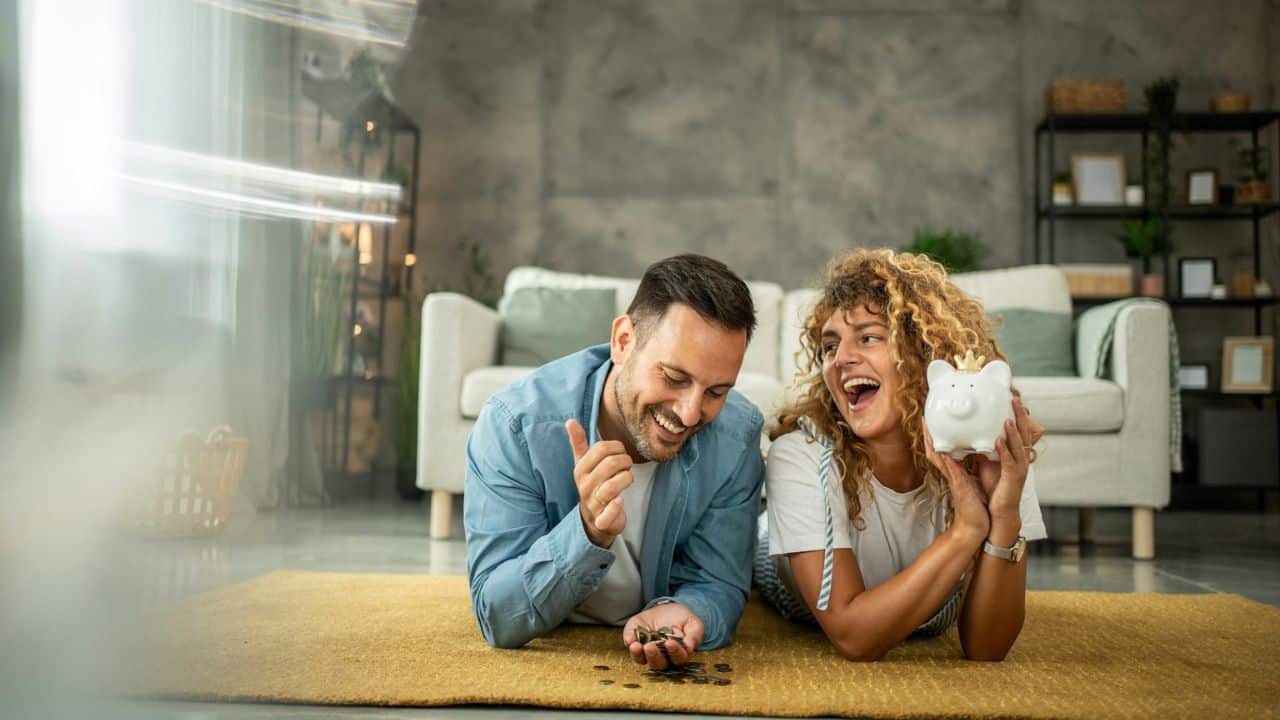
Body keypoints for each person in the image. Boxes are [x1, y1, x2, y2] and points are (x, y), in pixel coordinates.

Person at [464, 254, 766, 668]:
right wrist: (586, 533)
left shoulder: (736, 436)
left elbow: (720, 584)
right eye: (675, 378)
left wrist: (690, 613)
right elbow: (496, 616)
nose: (692, 412)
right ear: (623, 341)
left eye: (716, 392)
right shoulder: (515, 426)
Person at [755, 248, 1048, 662]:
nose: (841, 360)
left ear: (925, 354)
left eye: (869, 337)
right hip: (774, 559)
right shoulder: (802, 453)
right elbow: (853, 636)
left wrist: (1003, 518)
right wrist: (966, 530)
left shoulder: (996, 447)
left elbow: (987, 648)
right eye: (829, 346)